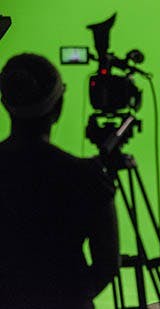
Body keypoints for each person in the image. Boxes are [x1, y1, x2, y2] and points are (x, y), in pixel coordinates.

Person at [0, 53, 119, 308]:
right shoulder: (84, 176)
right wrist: (72, 294)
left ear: (6, 103)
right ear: (58, 107)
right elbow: (107, 263)